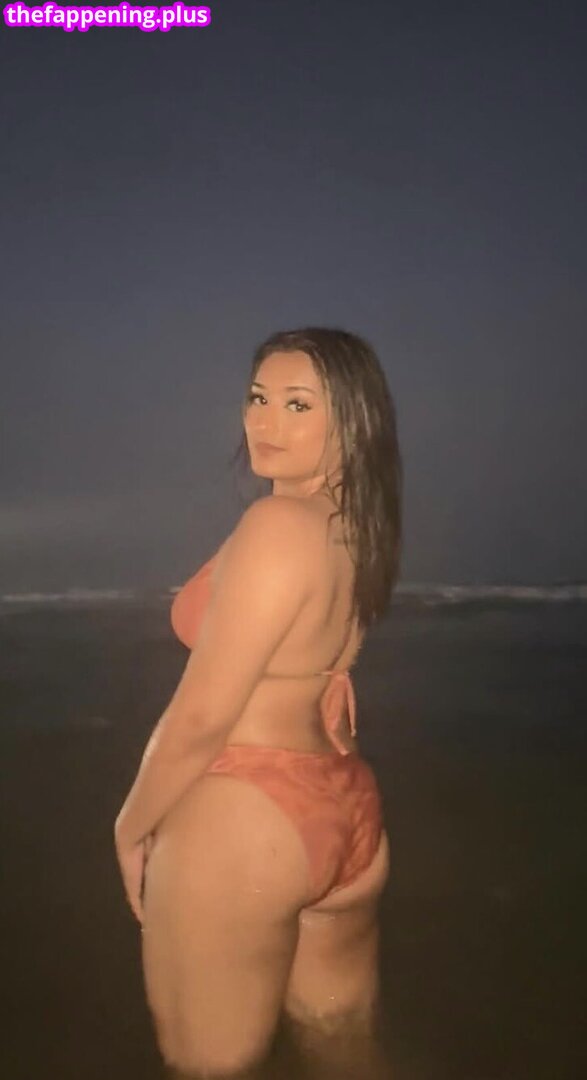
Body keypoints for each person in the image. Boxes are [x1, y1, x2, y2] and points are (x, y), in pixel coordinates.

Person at [114, 327, 403, 1078]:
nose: (264, 422)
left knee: (207, 1067)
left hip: (246, 819)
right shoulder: (356, 525)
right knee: (345, 1053)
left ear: (352, 420)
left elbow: (201, 717)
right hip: (347, 808)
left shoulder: (276, 526)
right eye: (257, 398)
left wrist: (130, 826)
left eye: (297, 404)